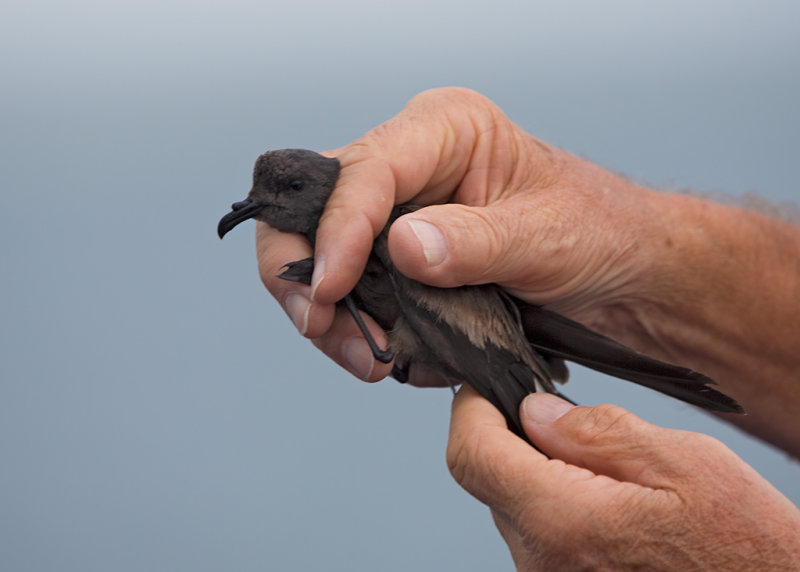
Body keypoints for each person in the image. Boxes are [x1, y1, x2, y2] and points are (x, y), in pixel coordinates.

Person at [256, 87, 800, 569]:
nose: (259, 208)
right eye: (261, 197)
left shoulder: (396, 233)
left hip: (494, 353)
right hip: (487, 337)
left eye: (289, 190)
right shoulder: (360, 232)